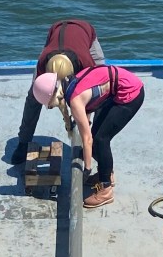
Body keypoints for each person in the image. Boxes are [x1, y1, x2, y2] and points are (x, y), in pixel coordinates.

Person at [33, 62, 145, 210]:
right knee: (97, 137)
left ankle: (106, 189)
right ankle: (106, 173)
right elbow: (90, 98)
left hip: (130, 93)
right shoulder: (70, 82)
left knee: (101, 139)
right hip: (118, 88)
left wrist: (86, 169)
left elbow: (87, 140)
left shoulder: (74, 100)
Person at [11, 19, 105, 168]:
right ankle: (23, 142)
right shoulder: (43, 61)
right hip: (56, 31)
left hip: (85, 33)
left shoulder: (85, 61)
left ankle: (96, 142)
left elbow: (90, 91)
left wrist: (83, 120)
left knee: (100, 92)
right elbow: (36, 94)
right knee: (32, 98)